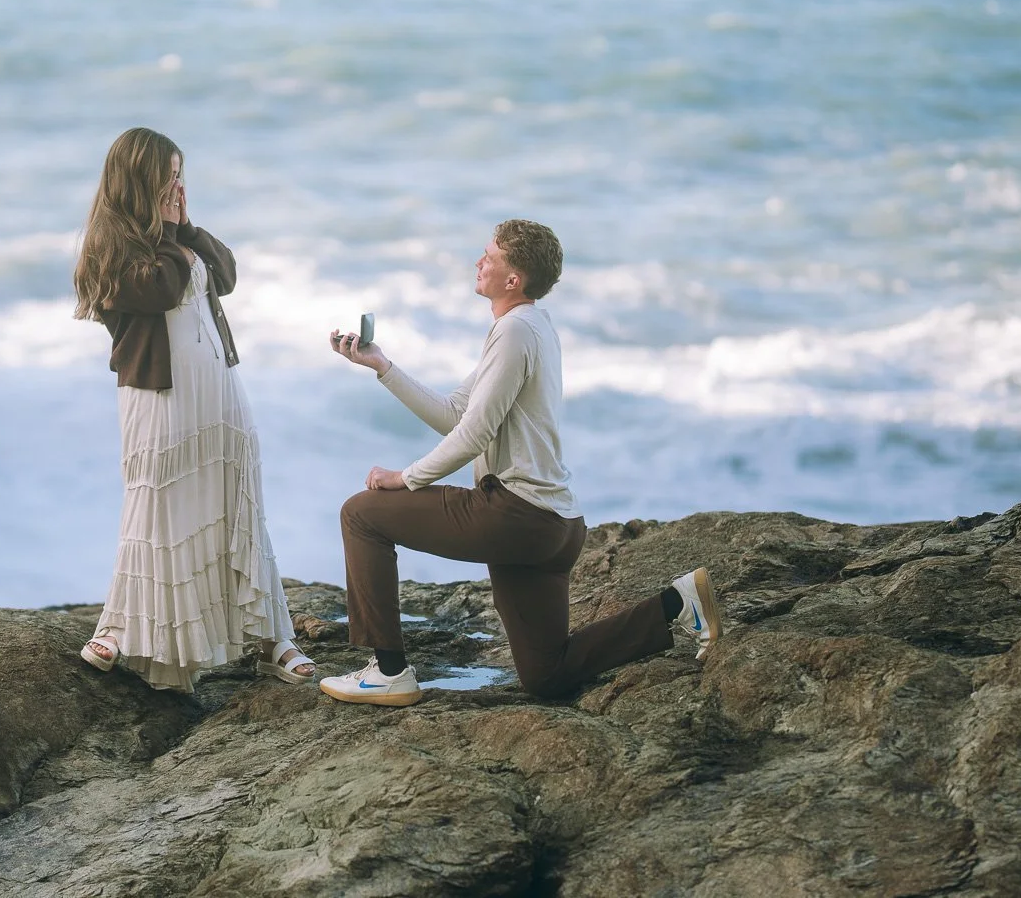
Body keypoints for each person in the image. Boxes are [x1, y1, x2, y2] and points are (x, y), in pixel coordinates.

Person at [320, 219, 722, 706]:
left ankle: (387, 671)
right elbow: (454, 413)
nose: (478, 261)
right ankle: (678, 603)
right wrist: (383, 366)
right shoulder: (527, 327)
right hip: (555, 527)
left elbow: (473, 434)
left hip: (517, 516)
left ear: (513, 280)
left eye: (488, 257)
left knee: (361, 513)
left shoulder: (514, 333)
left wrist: (402, 479)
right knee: (547, 674)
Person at [72, 127, 316, 692]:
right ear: (140, 179)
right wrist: (170, 237)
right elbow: (158, 289)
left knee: (238, 504)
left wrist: (184, 229)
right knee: (155, 506)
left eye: (181, 177)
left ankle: (272, 637)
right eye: (168, 178)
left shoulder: (177, 235)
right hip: (160, 395)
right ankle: (117, 627)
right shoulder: (109, 244)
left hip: (219, 389)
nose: (177, 188)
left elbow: (224, 276)